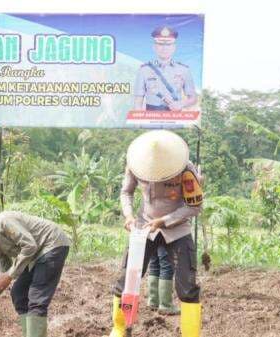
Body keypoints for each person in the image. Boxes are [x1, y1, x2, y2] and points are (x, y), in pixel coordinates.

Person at [107, 130, 204, 337]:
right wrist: (128, 215)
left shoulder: (186, 169)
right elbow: (126, 192)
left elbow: (194, 207)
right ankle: (120, 328)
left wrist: (165, 221)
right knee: (126, 279)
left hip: (177, 230)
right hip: (144, 228)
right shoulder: (136, 165)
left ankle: (190, 334)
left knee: (187, 285)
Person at [0, 208, 71, 337]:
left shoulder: (4, 222)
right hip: (35, 255)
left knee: (36, 298)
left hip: (52, 244)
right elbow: (4, 276)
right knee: (19, 293)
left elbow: (29, 246)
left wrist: (9, 275)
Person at [133, 26, 198, 112]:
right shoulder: (144, 70)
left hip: (175, 119)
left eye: (168, 44)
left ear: (174, 47)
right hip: (151, 119)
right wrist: (139, 122)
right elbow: (138, 100)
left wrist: (181, 104)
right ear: (154, 47)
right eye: (160, 44)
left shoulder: (184, 70)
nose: (164, 48)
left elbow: (193, 98)